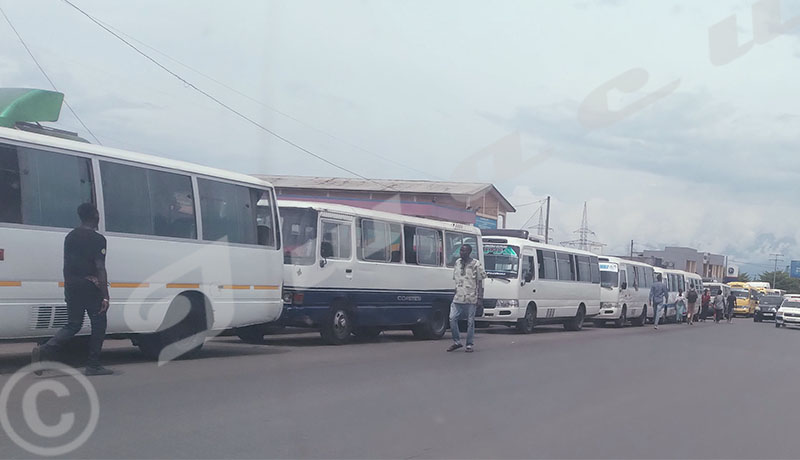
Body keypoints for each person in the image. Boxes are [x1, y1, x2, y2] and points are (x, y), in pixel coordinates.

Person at [32, 203, 113, 376]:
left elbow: (69, 264)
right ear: (94, 216)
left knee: (73, 324)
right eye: (97, 214)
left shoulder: (70, 237)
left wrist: (70, 283)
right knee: (99, 325)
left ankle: (46, 350)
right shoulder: (99, 240)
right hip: (91, 287)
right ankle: (93, 365)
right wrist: (105, 295)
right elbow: (100, 267)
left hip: (72, 286)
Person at [447, 244, 486, 353]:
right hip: (458, 297)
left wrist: (480, 298)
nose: (461, 253)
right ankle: (457, 342)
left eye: (464, 251)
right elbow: (456, 279)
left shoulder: (476, 264)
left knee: (470, 322)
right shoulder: (457, 263)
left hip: (470, 297)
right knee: (452, 318)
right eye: (461, 250)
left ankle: (469, 344)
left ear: (469, 252)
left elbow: (480, 282)